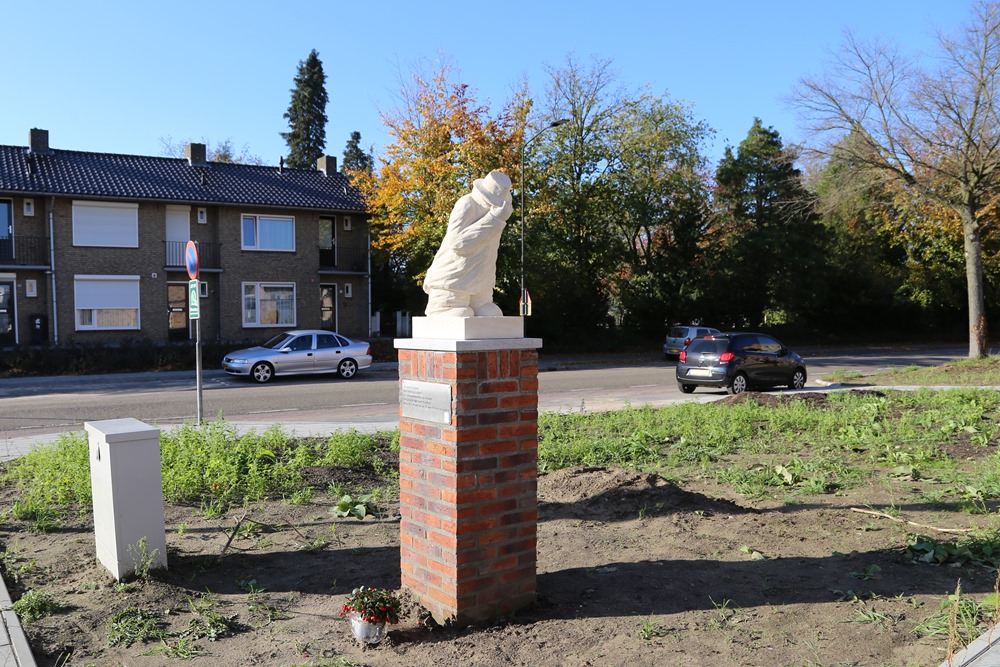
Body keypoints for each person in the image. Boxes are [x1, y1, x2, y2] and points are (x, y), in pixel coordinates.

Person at [422, 170, 513, 317]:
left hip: (480, 283)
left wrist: (496, 218)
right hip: (452, 280)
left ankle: (477, 299)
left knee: (491, 314)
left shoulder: (498, 214)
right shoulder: (467, 203)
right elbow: (458, 244)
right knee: (461, 314)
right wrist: (493, 219)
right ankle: (441, 307)